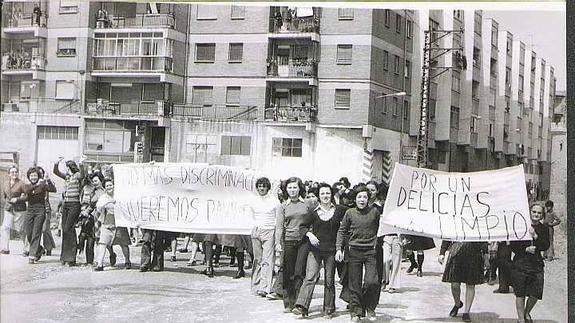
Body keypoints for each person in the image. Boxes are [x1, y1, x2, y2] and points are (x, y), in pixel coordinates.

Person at [293, 183, 348, 318]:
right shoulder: (312, 211)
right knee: (310, 277)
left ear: (332, 195)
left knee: (329, 280)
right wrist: (310, 235)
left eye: (328, 193)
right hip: (315, 250)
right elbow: (302, 227)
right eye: (322, 193)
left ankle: (329, 309)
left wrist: (341, 248)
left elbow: (353, 215)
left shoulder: (340, 210)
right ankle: (302, 306)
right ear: (318, 196)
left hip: (332, 251)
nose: (325, 196)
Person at [336, 186, 381, 322]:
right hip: (354, 251)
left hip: (370, 252)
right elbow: (342, 231)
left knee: (371, 282)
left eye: (365, 197)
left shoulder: (375, 212)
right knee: (354, 284)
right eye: (359, 197)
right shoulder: (349, 213)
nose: (362, 200)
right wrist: (339, 248)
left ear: (369, 199)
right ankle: (355, 312)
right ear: (355, 199)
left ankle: (370, 307)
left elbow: (382, 229)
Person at [275, 177, 314, 313]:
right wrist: (278, 243)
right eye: (290, 188)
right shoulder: (283, 206)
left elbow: (313, 221)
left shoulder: (308, 203)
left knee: (299, 272)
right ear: (286, 190)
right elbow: (279, 227)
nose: (292, 190)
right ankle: (288, 302)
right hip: (288, 241)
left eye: (295, 187)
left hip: (304, 241)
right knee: (288, 273)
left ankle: (298, 301)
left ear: (300, 189)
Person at [510, 203, 550, 323]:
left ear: (542, 215)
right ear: (530, 212)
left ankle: (527, 312)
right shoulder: (521, 226)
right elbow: (513, 246)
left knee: (536, 293)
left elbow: (545, 245)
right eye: (534, 212)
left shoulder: (544, 229)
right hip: (521, 263)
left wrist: (535, 236)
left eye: (539, 213)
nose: (536, 214)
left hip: (536, 264)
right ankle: (521, 319)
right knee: (520, 293)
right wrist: (525, 249)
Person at [438, 240, 488, 322]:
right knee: (454, 285)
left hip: (474, 253)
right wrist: (442, 252)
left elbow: (482, 237)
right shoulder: (454, 226)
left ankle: (466, 312)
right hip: (456, 253)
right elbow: (448, 235)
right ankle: (457, 304)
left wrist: (486, 256)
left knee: (471, 284)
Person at [249, 177, 281, 296]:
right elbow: (251, 216)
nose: (261, 188)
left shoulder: (274, 201)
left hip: (269, 231)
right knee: (257, 259)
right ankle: (255, 286)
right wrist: (254, 227)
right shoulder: (253, 200)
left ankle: (265, 287)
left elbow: (277, 219)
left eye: (264, 186)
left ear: (268, 187)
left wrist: (276, 237)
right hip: (256, 231)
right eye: (259, 186)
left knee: (267, 260)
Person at [93, 178, 132, 271]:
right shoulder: (103, 197)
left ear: (114, 185)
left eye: (110, 185)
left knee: (124, 244)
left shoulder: (119, 195)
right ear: (105, 188)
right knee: (102, 244)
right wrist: (109, 202)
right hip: (107, 224)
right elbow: (98, 207)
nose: (109, 187)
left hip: (119, 224)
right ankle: (100, 264)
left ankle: (127, 261)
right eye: (107, 186)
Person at [53, 157, 85, 266]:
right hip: (66, 205)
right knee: (65, 230)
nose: (65, 169)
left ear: (70, 167)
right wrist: (56, 163)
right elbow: (56, 172)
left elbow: (83, 175)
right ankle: (65, 257)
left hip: (74, 205)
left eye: (66, 167)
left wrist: (81, 164)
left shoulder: (77, 176)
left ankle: (71, 257)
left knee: (68, 229)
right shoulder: (67, 177)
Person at [24, 166, 56, 263]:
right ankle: (39, 250)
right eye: (31, 176)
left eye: (35, 175)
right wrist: (36, 185)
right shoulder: (27, 185)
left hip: (40, 210)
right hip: (30, 210)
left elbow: (53, 189)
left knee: (36, 233)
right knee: (29, 233)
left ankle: (32, 255)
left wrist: (48, 180)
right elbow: (27, 191)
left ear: (38, 176)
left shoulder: (43, 185)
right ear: (29, 177)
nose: (33, 177)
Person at [1, 165, 29, 255]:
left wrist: (17, 199)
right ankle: (6, 248)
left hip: (19, 209)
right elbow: (3, 196)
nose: (14, 174)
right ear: (9, 174)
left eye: (16, 172)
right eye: (12, 172)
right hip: (8, 208)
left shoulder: (21, 183)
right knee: (5, 228)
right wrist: (7, 202)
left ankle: (26, 249)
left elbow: (27, 196)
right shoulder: (5, 183)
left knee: (21, 230)